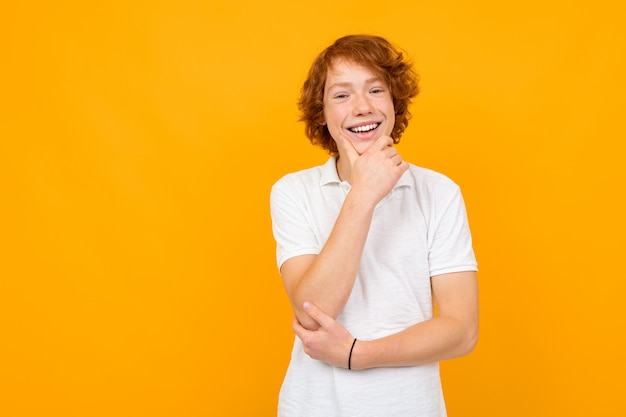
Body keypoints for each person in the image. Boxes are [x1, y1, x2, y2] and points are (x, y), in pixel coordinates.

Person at [270, 34, 478, 417]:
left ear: (394, 101)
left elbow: (462, 329)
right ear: (322, 113)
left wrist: (357, 355)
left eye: (375, 89)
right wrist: (363, 194)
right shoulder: (293, 192)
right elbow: (314, 310)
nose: (362, 107)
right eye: (342, 95)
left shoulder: (439, 192)